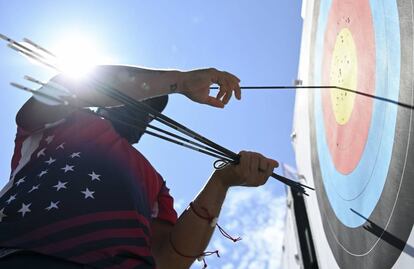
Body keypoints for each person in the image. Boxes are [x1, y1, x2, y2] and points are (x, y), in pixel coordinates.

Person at [0, 65, 278, 269]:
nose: (142, 115)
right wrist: (180, 82)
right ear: (105, 102)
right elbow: (67, 87)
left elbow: (168, 258)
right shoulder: (64, 121)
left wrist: (222, 181)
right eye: (136, 101)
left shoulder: (154, 180)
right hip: (25, 254)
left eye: (149, 113)